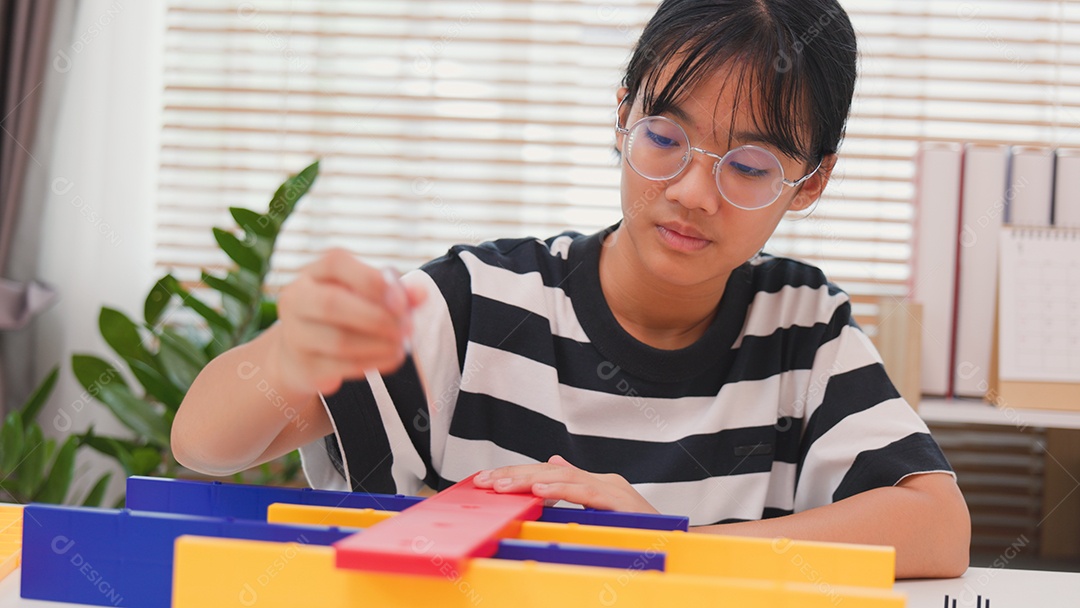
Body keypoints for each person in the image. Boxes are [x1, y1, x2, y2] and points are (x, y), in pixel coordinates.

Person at [172, 0, 970, 578]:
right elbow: (203, 445)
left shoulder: (801, 328)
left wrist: (665, 547)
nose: (693, 192)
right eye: (665, 137)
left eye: (751, 167)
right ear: (622, 117)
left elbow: (937, 527)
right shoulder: (481, 303)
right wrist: (288, 354)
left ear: (811, 182)